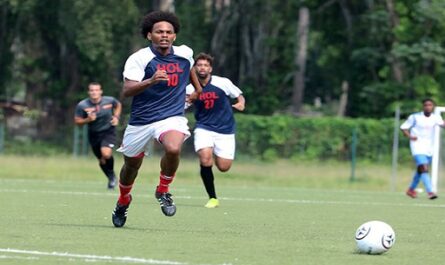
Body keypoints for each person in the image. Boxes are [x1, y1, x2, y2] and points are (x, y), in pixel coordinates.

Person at [111, 11, 202, 227]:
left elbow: (189, 68)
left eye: (169, 32)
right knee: (131, 167)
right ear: (149, 35)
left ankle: (163, 190)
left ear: (174, 36)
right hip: (141, 120)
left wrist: (197, 90)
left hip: (171, 116)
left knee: (173, 148)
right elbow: (127, 90)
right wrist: (151, 80)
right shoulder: (139, 58)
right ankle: (123, 199)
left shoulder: (184, 53)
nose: (164, 35)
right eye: (159, 32)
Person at [186, 53, 245, 208]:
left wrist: (240, 104)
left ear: (210, 68)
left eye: (205, 65)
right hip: (203, 128)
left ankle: (215, 156)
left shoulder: (222, 82)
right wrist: (188, 101)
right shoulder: (189, 88)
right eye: (199, 65)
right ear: (195, 68)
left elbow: (239, 95)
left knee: (224, 167)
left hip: (225, 129)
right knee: (205, 159)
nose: (202, 68)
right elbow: (181, 106)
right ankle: (213, 198)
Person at [74, 82, 122, 189]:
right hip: (94, 134)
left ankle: (112, 177)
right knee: (102, 160)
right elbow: (77, 121)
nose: (94, 92)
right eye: (92, 90)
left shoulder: (109, 100)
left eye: (96, 90)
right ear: (89, 92)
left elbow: (118, 105)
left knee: (106, 153)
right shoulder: (82, 105)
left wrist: (116, 117)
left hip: (108, 131)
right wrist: (87, 119)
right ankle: (111, 177)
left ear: (101, 91)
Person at [400, 98, 444, 200]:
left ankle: (411, 189)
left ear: (433, 107)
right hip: (417, 146)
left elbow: (442, 124)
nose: (428, 107)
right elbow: (403, 127)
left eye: (430, 105)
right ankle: (430, 191)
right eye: (426, 105)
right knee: (424, 168)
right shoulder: (415, 117)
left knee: (420, 170)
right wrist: (410, 136)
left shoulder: (435, 117)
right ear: (423, 106)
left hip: (429, 148)